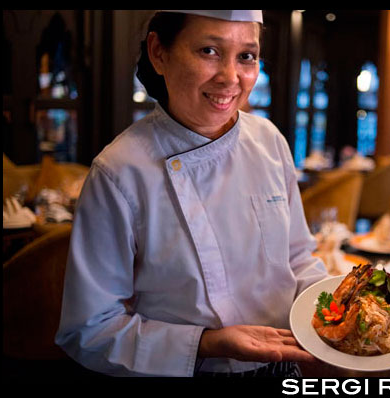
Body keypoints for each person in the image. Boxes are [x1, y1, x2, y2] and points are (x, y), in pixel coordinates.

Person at [55, 10, 328, 377]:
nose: (231, 78)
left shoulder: (269, 141)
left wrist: (341, 312)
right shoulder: (119, 171)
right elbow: (90, 330)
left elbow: (298, 259)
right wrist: (205, 343)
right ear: (158, 52)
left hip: (285, 368)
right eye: (209, 51)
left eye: (246, 56)